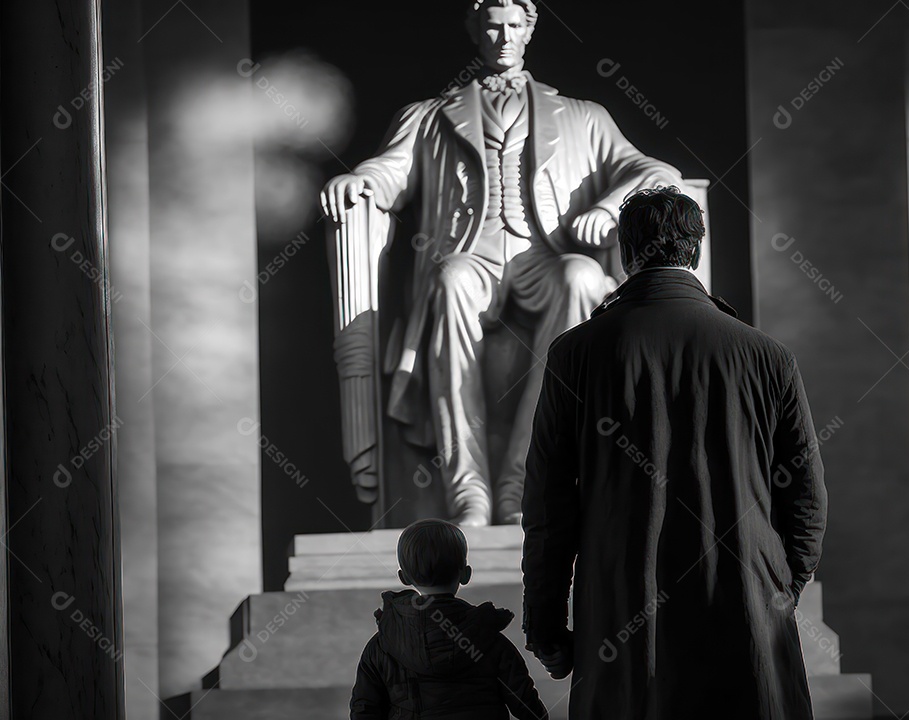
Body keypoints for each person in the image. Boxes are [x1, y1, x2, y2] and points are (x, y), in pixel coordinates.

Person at [320, 0, 681, 526]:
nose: (504, 37)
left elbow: (657, 171)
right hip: (472, 258)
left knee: (581, 276)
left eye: (515, 25)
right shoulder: (428, 116)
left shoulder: (583, 116)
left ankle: (522, 481)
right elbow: (388, 173)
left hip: (545, 255)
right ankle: (469, 490)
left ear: (530, 30)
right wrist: (360, 181)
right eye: (493, 26)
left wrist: (607, 208)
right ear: (474, 30)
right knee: (449, 280)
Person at [521, 186, 828, 719]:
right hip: (746, 613)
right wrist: (780, 589)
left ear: (625, 251)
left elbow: (548, 504)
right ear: (697, 251)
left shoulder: (576, 353)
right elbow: (807, 496)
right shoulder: (767, 356)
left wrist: (546, 624)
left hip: (621, 611)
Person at [350, 518, 549, 720]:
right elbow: (528, 707)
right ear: (465, 574)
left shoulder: (383, 644)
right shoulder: (489, 639)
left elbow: (364, 709)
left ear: (404, 578)